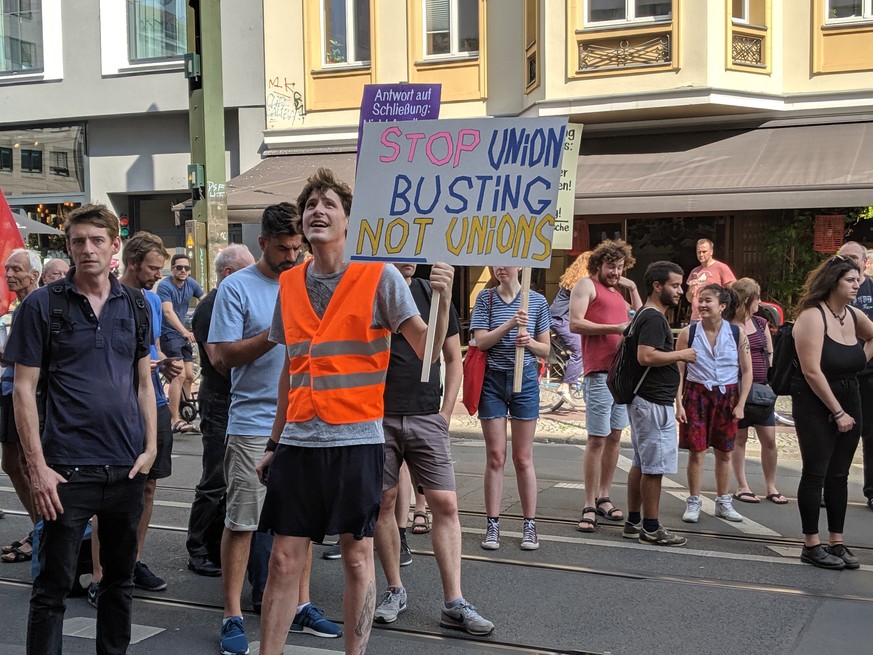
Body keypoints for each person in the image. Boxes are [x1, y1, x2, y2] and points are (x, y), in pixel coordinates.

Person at [255, 168, 455, 655]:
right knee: (283, 560)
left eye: (329, 205)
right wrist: (274, 441)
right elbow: (290, 369)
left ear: (349, 221)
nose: (317, 211)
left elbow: (427, 353)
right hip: (300, 442)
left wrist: (444, 300)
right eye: (311, 205)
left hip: (358, 440)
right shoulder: (290, 284)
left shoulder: (379, 274)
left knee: (356, 559)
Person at [5, 204, 156, 654]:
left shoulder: (134, 302)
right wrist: (38, 469)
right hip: (65, 469)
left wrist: (149, 449)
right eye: (77, 241)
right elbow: (23, 390)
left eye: (96, 240)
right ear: (68, 247)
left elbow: (144, 381)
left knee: (119, 584)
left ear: (114, 247)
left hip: (125, 468)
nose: (86, 249)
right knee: (52, 590)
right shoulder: (42, 305)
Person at [210, 203, 341, 655]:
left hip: (304, 420)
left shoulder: (310, 279)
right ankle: (231, 613)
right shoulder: (237, 288)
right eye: (283, 249)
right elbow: (220, 357)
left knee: (300, 524)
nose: (291, 256)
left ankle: (301, 605)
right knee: (243, 521)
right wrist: (275, 331)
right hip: (252, 423)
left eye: (296, 248)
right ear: (261, 243)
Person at [373, 263, 493, 635]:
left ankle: (454, 601)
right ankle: (395, 589)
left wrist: (444, 414)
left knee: (445, 503)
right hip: (379, 416)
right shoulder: (371, 287)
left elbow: (453, 357)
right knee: (384, 503)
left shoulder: (433, 291)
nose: (407, 257)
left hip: (426, 415)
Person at [791, 255, 873, 569]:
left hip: (850, 394)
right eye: (851, 280)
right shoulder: (812, 317)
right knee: (816, 472)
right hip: (815, 400)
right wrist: (838, 412)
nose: (858, 284)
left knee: (839, 474)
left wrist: (856, 362)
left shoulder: (852, 315)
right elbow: (812, 372)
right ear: (833, 281)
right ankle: (811, 544)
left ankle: (836, 541)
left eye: (859, 279)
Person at [186, 244, 255, 577]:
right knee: (215, 478)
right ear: (228, 273)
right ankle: (198, 546)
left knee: (235, 480)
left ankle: (215, 543)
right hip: (219, 400)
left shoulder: (231, 299)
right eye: (248, 270)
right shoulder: (211, 306)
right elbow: (218, 360)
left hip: (237, 399)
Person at [471, 265, 551, 551]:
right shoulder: (486, 298)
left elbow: (546, 349)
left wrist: (528, 340)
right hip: (492, 380)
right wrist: (509, 325)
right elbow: (480, 342)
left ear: (520, 266)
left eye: (506, 261)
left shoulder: (536, 300)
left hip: (525, 378)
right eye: (494, 262)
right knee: (495, 456)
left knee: (523, 457)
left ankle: (530, 525)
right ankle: (492, 524)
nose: (500, 267)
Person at [569, 239, 642, 533]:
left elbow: (641, 318)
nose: (615, 271)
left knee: (614, 438)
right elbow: (575, 323)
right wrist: (614, 328)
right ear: (599, 264)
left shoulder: (616, 293)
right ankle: (588, 502)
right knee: (596, 439)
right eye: (611, 266)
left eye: (620, 266)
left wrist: (633, 288)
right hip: (599, 373)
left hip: (620, 375)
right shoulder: (587, 286)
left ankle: (604, 496)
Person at [624, 261, 696, 546]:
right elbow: (646, 356)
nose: (681, 291)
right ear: (657, 286)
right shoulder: (654, 318)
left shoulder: (646, 314)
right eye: (675, 285)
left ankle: (633, 521)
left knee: (641, 463)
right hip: (653, 401)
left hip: (647, 399)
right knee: (653, 468)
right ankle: (651, 528)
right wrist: (681, 355)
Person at [676, 284, 752, 524]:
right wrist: (678, 402)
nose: (702, 305)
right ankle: (694, 500)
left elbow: (747, 371)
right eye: (700, 300)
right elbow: (678, 369)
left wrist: (741, 403)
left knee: (724, 452)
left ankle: (723, 501)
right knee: (696, 452)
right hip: (696, 393)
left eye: (708, 300)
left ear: (722, 306)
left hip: (727, 396)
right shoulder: (688, 332)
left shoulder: (737, 333)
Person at [729, 278, 787, 506]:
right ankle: (742, 485)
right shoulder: (729, 325)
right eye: (757, 298)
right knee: (739, 438)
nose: (760, 302)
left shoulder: (761, 323)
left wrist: (769, 381)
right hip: (736, 388)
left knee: (769, 439)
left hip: (761, 390)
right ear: (747, 300)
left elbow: (769, 354)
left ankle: (771, 485)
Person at [0, 249, 42, 563]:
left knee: (27, 465)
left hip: (26, 393)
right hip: (9, 387)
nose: (10, 275)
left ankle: (42, 531)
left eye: (16, 269)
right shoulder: (21, 304)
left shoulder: (36, 303)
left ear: (34, 274)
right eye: (7, 270)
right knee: (13, 465)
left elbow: (26, 355)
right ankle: (38, 528)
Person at [837, 242, 873, 511]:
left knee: (870, 434)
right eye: (843, 258)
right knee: (838, 432)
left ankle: (871, 491)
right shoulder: (831, 290)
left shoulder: (871, 287)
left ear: (864, 262)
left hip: (867, 372)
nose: (849, 262)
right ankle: (832, 487)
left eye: (853, 258)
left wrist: (860, 362)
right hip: (838, 373)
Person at [157, 253, 204, 433]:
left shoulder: (190, 283)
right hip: (168, 334)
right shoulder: (165, 286)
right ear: (173, 269)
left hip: (182, 335)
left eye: (186, 268)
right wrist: (185, 331)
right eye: (179, 267)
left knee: (190, 376)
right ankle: (173, 419)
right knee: (178, 376)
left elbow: (205, 300)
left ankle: (183, 413)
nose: (183, 270)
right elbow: (168, 313)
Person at [549, 252, 588, 408]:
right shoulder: (578, 283)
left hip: (564, 320)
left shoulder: (578, 281)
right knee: (580, 351)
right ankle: (565, 386)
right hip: (559, 320)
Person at [686, 239, 736, 322]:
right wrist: (691, 287)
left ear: (711, 252)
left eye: (704, 251)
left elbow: (733, 292)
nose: (701, 255)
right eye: (699, 252)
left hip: (714, 317)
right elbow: (689, 298)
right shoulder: (694, 271)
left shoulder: (721, 267)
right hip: (696, 318)